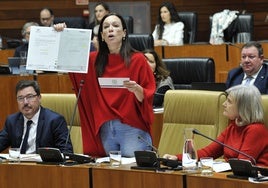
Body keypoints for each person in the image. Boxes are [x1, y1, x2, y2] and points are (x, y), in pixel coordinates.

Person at [54, 13, 156, 157]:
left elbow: (148, 95)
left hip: (132, 129)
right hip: (105, 130)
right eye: (106, 27)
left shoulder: (138, 60)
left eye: (115, 26)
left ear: (124, 33)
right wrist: (62, 35)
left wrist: (138, 90)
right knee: (110, 176)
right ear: (102, 35)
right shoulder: (93, 61)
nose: (110, 29)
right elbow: (71, 65)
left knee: (136, 176)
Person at [163, 85, 268, 167]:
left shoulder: (256, 130)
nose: (224, 104)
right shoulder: (233, 127)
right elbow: (208, 152)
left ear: (243, 107)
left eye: (229, 101)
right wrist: (177, 158)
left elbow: (242, 164)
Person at [0, 80, 73, 154]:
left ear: (39, 98)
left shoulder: (55, 121)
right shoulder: (12, 121)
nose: (25, 102)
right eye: (20, 98)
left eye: (30, 97)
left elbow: (67, 153)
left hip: (43, 165)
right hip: (19, 165)